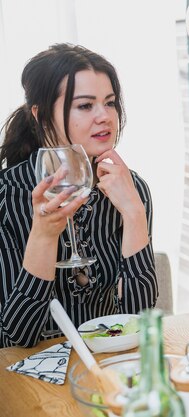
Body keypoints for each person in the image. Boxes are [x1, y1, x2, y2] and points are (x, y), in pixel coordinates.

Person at [0, 44, 157, 348]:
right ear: (41, 115)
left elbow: (141, 320)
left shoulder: (131, 188)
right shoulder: (7, 196)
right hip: (28, 382)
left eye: (110, 103)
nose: (105, 117)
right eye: (85, 106)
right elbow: (15, 338)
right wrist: (44, 237)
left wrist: (135, 215)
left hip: (108, 369)